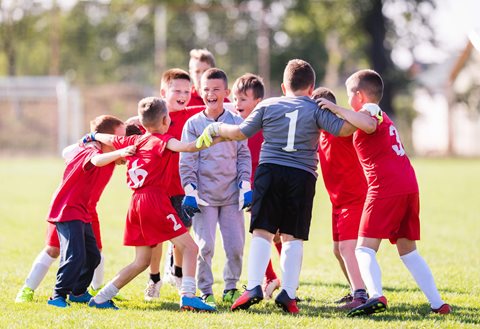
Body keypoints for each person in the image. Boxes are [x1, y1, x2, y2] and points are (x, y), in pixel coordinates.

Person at [196, 59, 363, 314]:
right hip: (302, 175)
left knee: (262, 231)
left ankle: (253, 287)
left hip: (269, 171)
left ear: (284, 87)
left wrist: (217, 127)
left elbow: (241, 132)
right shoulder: (316, 109)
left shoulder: (268, 104)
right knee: (292, 237)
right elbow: (346, 130)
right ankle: (288, 293)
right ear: (312, 87)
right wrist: (347, 111)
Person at [316, 69, 452, 316]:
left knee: (363, 249)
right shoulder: (378, 114)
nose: (347, 100)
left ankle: (376, 296)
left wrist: (335, 109)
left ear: (359, 95)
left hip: (385, 186)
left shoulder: (369, 110)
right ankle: (438, 303)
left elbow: (368, 124)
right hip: (408, 184)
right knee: (408, 251)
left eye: (349, 95)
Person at [86, 97, 215, 312]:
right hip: (154, 201)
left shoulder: (133, 141)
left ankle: (101, 297)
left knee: (142, 261)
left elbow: (108, 137)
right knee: (190, 247)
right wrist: (213, 137)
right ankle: (189, 297)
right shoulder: (163, 140)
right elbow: (189, 147)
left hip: (135, 203)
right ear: (165, 120)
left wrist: (92, 136)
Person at [180, 68, 252, 308]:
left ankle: (231, 287)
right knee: (205, 246)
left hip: (231, 196)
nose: (211, 94)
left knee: (235, 247)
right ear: (200, 92)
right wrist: (190, 191)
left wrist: (245, 185)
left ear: (226, 93)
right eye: (206, 90)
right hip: (204, 197)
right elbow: (187, 160)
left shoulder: (236, 123)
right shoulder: (193, 124)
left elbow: (243, 157)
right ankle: (205, 290)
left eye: (216, 90)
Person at [43, 115, 128, 308]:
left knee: (92, 256)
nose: (122, 141)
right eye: (119, 137)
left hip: (83, 211)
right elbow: (96, 161)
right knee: (75, 255)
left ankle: (77, 292)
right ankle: (57, 296)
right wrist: (116, 150)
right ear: (104, 138)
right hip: (67, 209)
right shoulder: (90, 151)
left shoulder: (111, 155)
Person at [145, 68, 204, 301]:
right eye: (176, 90)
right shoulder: (152, 118)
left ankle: (178, 274)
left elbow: (220, 108)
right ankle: (154, 278)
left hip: (182, 189)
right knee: (155, 238)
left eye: (187, 91)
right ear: (163, 92)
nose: (182, 95)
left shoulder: (193, 114)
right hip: (157, 191)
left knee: (182, 234)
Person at [312, 87, 368, 309]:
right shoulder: (320, 135)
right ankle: (357, 289)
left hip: (354, 198)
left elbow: (365, 121)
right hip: (337, 201)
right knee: (338, 250)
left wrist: (338, 109)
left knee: (347, 249)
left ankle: (361, 296)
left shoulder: (344, 130)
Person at [231, 73, 281, 300]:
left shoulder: (266, 123)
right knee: (262, 232)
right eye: (235, 98)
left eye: (243, 99)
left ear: (258, 102)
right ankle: (270, 277)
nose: (236, 103)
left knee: (276, 234)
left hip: (267, 182)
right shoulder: (234, 123)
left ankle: (282, 280)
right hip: (247, 185)